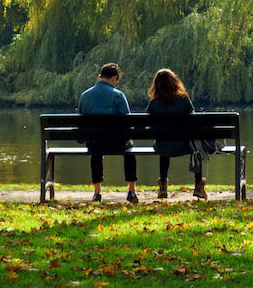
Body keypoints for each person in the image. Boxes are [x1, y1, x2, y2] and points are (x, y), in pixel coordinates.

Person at [78, 63, 139, 204]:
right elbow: (127, 120)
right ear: (115, 79)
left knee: (95, 151)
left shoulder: (85, 95)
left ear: (99, 77)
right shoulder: (118, 95)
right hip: (117, 143)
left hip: (95, 143)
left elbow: (80, 122)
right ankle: (131, 191)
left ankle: (97, 192)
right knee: (130, 149)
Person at [145, 68, 207, 199]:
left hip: (162, 146)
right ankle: (198, 185)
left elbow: (147, 123)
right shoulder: (183, 99)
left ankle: (162, 186)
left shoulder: (153, 103)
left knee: (163, 146)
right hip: (184, 146)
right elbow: (193, 119)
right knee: (197, 149)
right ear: (175, 82)